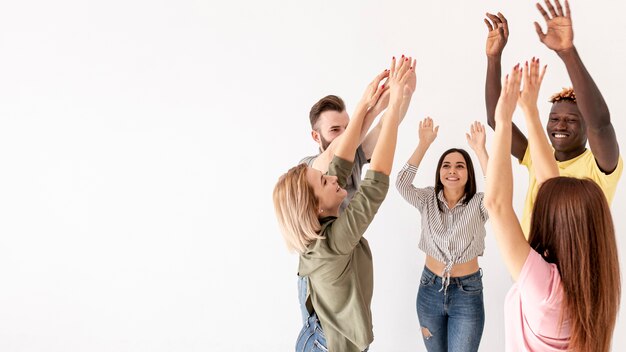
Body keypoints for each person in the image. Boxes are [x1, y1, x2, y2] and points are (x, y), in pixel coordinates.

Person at [273, 56, 415, 352]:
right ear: (315, 206)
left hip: (326, 332)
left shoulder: (321, 216)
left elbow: (341, 163)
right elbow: (376, 181)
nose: (335, 179)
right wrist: (382, 108)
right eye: (325, 181)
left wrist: (375, 100)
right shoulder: (334, 241)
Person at [485, 60, 620, 351]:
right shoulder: (597, 284)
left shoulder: (545, 287)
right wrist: (530, 112)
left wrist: (505, 120)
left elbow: (496, 204)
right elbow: (550, 184)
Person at [484, 0, 622, 235]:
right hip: (532, 266)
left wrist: (568, 53)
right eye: (555, 119)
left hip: (575, 269)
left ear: (585, 126)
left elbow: (600, 124)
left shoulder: (600, 166)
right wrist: (494, 59)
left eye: (571, 120)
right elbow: (498, 121)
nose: (560, 125)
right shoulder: (537, 154)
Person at [396, 118, 489, 352]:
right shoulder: (427, 199)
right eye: (446, 165)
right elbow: (402, 183)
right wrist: (424, 144)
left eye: (460, 166)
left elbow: (499, 192)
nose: (452, 171)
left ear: (469, 173)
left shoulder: (479, 204)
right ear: (439, 172)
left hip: (467, 293)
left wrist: (480, 151)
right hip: (429, 289)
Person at [302, 56, 415, 211]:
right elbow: (336, 152)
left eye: (347, 127)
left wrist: (405, 94)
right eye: (335, 129)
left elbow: (384, 127)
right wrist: (371, 108)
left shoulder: (355, 157)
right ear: (316, 136)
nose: (346, 133)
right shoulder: (307, 168)